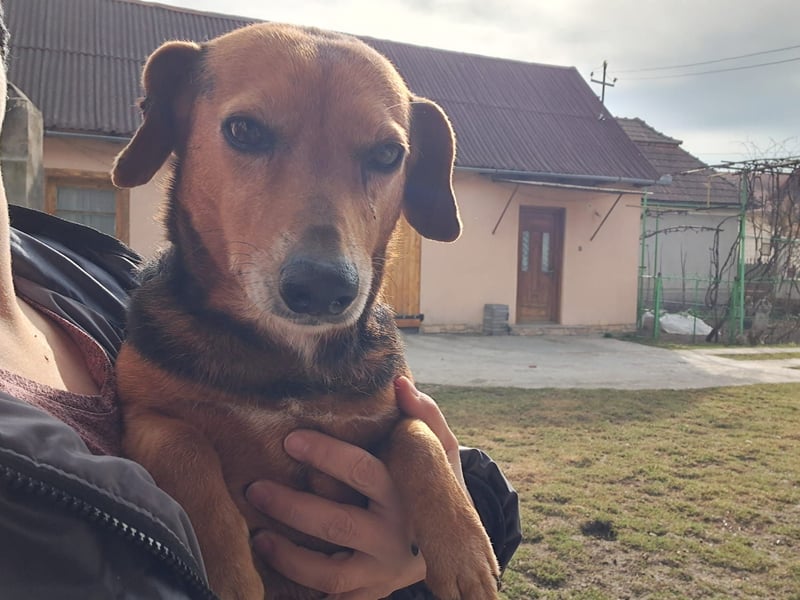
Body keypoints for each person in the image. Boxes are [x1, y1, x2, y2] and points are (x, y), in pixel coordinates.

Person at [0, 3, 520, 598]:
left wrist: (440, 484)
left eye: (381, 156)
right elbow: (152, 422)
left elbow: (406, 435)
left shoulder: (92, 281)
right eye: (249, 133)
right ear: (178, 120)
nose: (325, 251)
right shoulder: (155, 351)